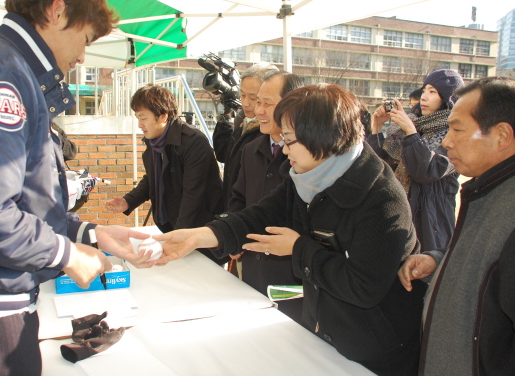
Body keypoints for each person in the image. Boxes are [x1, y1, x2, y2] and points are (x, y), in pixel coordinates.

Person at [0, 0, 155, 375]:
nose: (83, 55)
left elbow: (19, 196)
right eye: (87, 37)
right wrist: (67, 254)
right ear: (57, 12)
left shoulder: (2, 67)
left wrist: (87, 234)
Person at [156, 84, 426, 376]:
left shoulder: (381, 198)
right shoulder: (306, 177)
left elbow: (363, 287)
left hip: (378, 351)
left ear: (323, 138)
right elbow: (261, 215)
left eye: (290, 141)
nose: (284, 150)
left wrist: (298, 249)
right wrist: (200, 236)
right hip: (323, 334)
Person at [398, 77, 515, 376]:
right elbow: (488, 268)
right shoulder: (486, 189)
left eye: (458, 129)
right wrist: (438, 261)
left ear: (502, 135)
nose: (447, 141)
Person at [105, 84, 224, 262]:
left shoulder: (193, 142)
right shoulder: (154, 142)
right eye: (137, 118)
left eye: (143, 118)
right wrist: (128, 201)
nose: (140, 125)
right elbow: (152, 178)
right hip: (172, 227)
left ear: (163, 116)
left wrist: (176, 237)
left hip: (200, 231)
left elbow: (194, 195)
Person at [227, 71, 304, 321]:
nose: (258, 110)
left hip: (291, 275)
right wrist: (234, 236)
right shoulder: (250, 149)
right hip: (251, 268)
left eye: (267, 103)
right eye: (256, 101)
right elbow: (238, 198)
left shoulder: (309, 157)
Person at [368, 69, 464, 252]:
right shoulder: (411, 124)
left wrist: (411, 132)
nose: (424, 97)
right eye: (424, 90)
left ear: (448, 98)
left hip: (430, 223)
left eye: (433, 92)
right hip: (397, 215)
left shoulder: (454, 132)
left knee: (423, 275)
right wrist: (377, 128)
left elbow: (425, 171)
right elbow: (380, 167)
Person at [212, 63, 279, 210]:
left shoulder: (272, 133)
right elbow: (224, 154)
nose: (246, 103)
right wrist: (226, 115)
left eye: (253, 98)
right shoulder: (242, 122)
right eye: (242, 95)